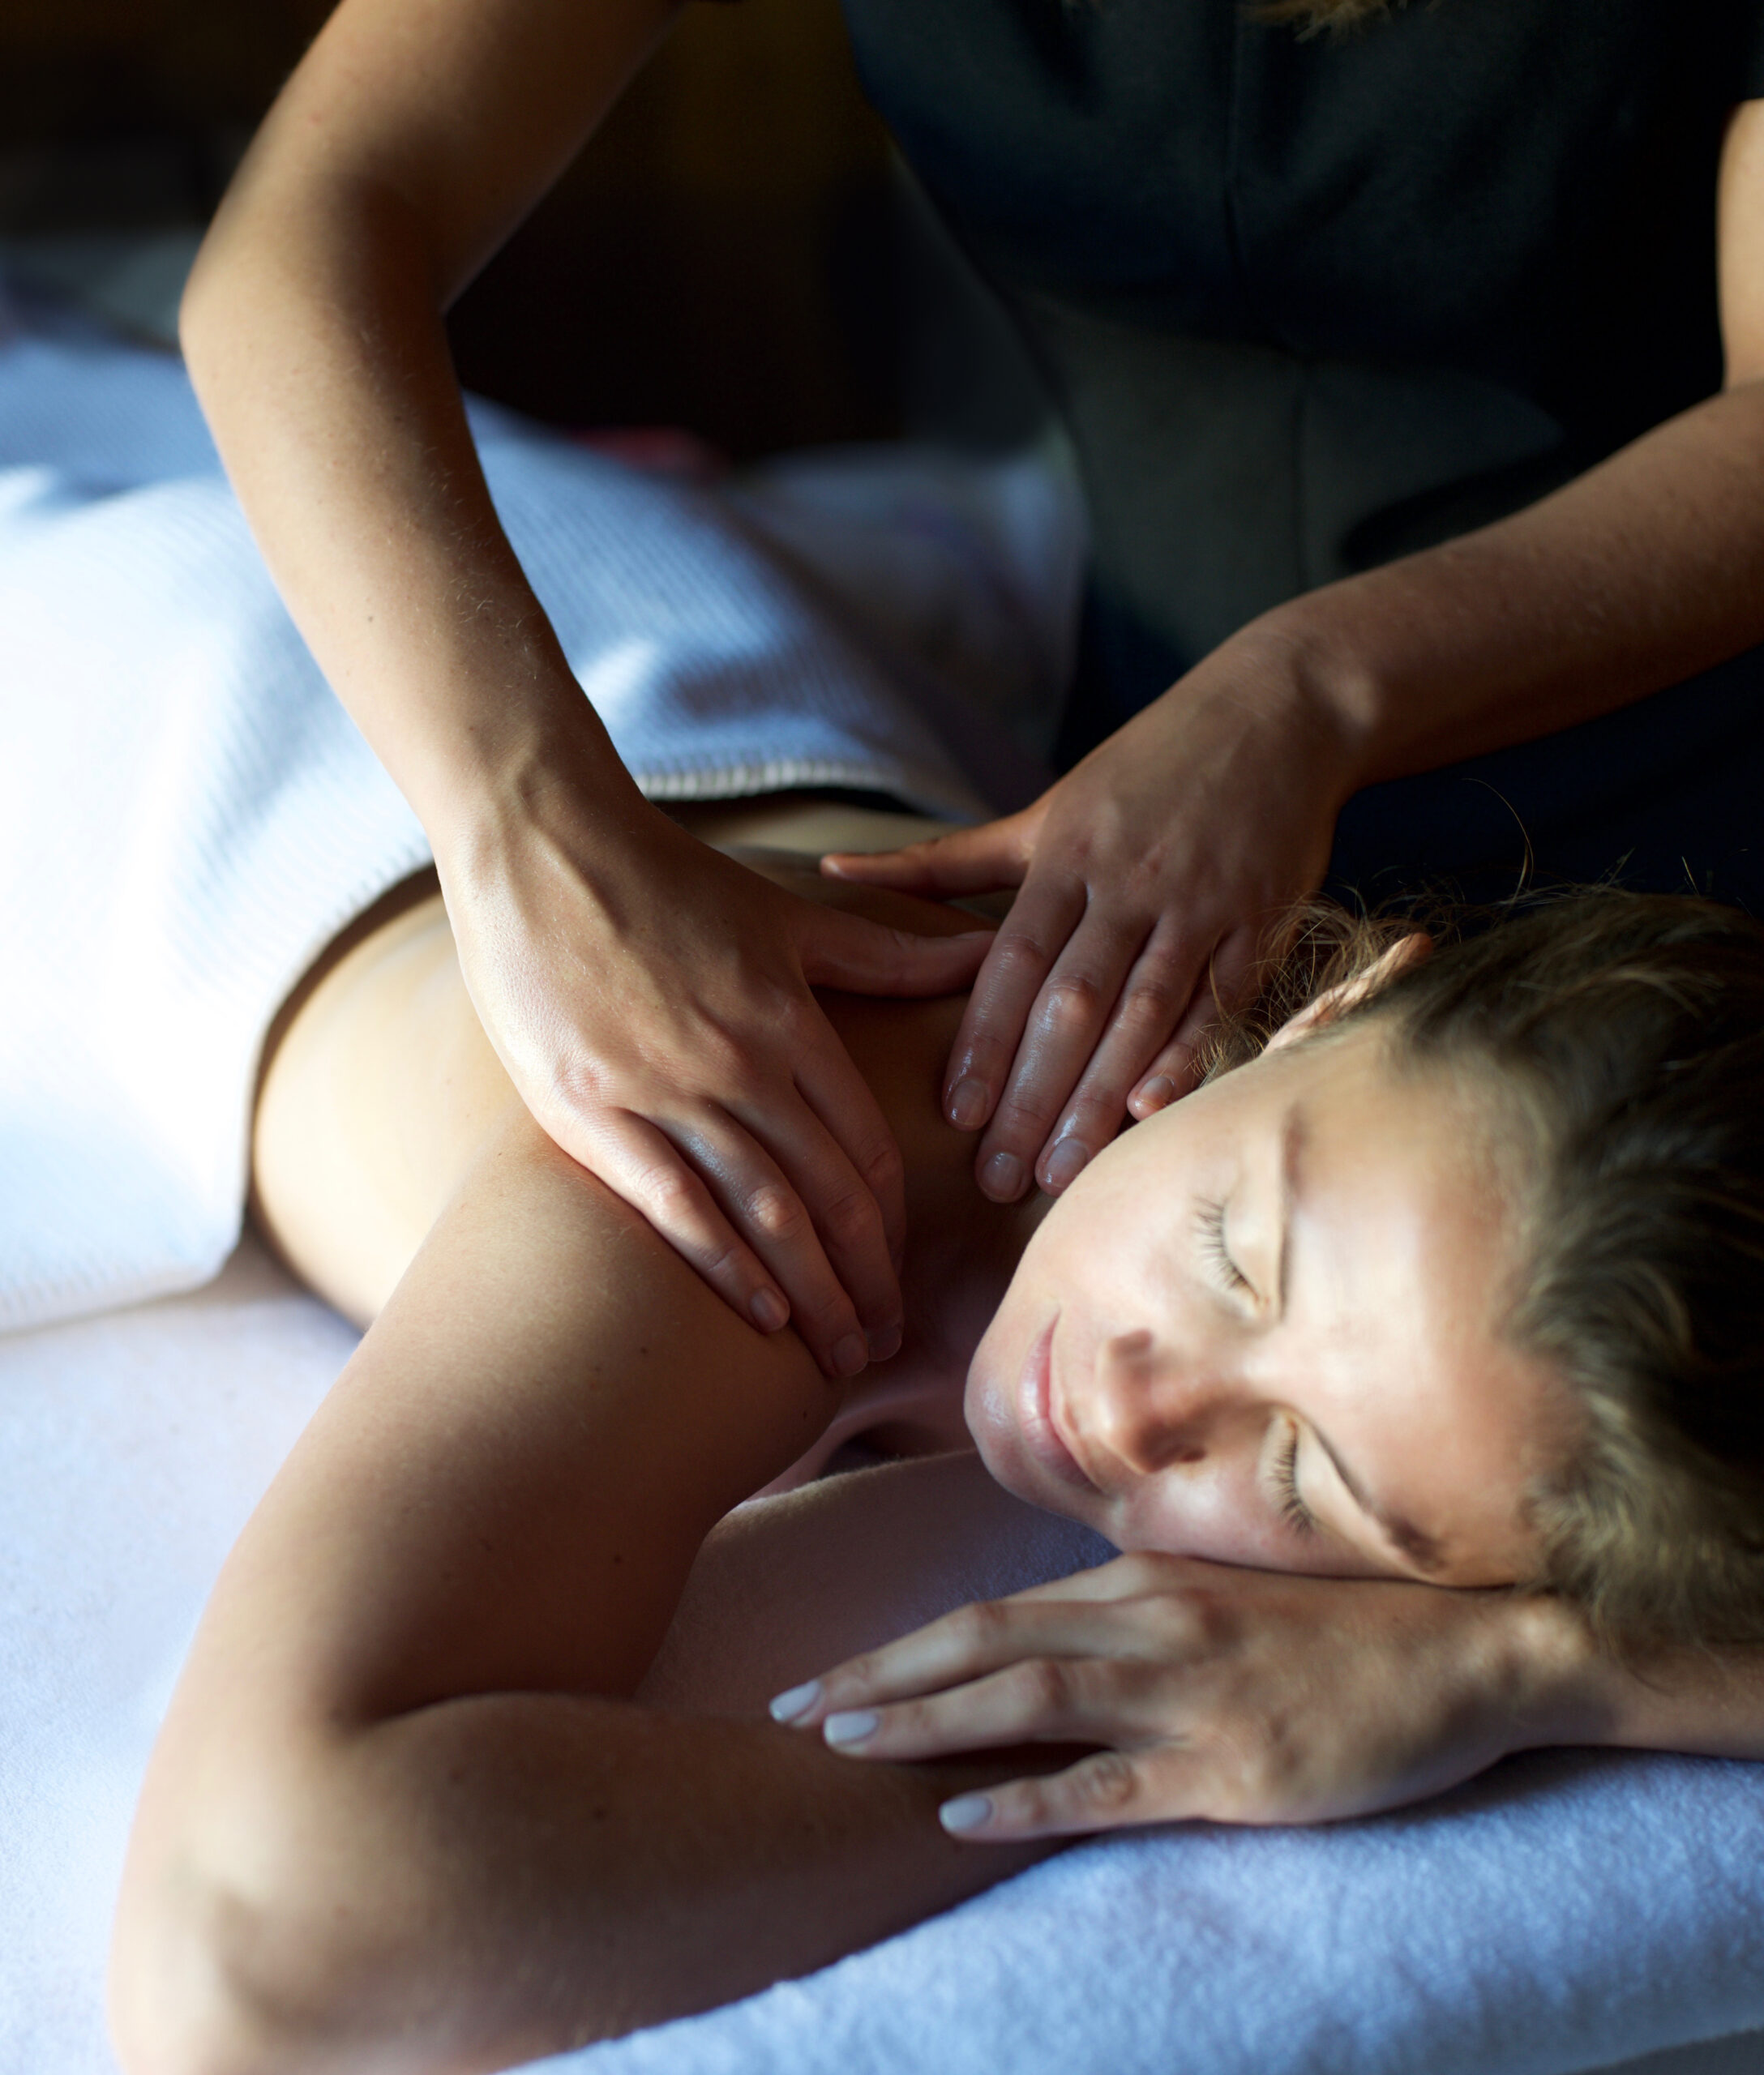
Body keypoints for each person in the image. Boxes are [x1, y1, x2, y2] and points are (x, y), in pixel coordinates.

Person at [178, 0, 1764, 1385]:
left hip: (1684, 831)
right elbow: (305, 241)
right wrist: (527, 825)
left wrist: (1304, 692)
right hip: (1141, 798)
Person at [109, 823, 1764, 2074]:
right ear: (1331, 1003)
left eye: (1300, 1478)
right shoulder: (766, 1142)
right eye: (1233, 1253)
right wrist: (1131, 1731)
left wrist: (1529, 1667)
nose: (1133, 1404)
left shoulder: (1481, 1478)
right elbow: (247, 1941)